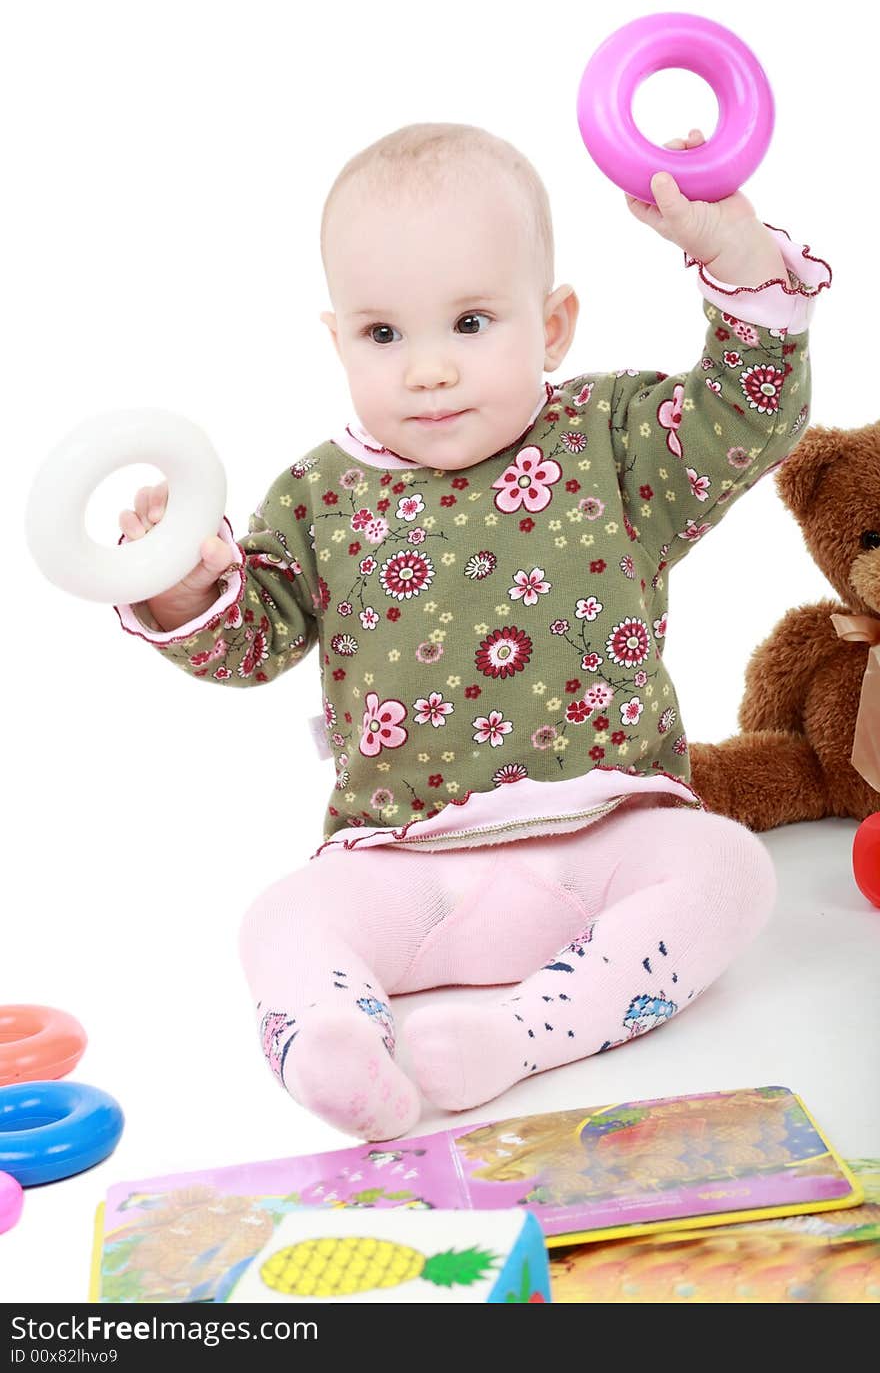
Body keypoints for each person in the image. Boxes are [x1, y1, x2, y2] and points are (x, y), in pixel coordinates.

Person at [117, 123, 829, 1140]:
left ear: (552, 325)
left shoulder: (613, 444)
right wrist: (182, 582)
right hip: (407, 861)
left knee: (727, 869)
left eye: (469, 321)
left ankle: (528, 1029)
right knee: (279, 915)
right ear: (336, 340)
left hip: (605, 838)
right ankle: (333, 1032)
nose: (428, 371)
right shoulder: (319, 495)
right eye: (383, 335)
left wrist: (739, 261)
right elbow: (253, 641)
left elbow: (744, 414)